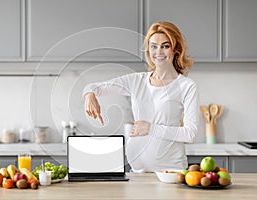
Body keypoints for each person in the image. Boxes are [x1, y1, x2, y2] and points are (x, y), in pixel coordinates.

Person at [83, 21, 199, 172]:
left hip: (171, 173)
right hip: (137, 174)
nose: (159, 52)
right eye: (154, 46)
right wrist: (89, 95)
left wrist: (150, 129)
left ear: (175, 49)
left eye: (165, 46)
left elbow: (190, 134)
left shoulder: (186, 86)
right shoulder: (136, 81)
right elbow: (94, 87)